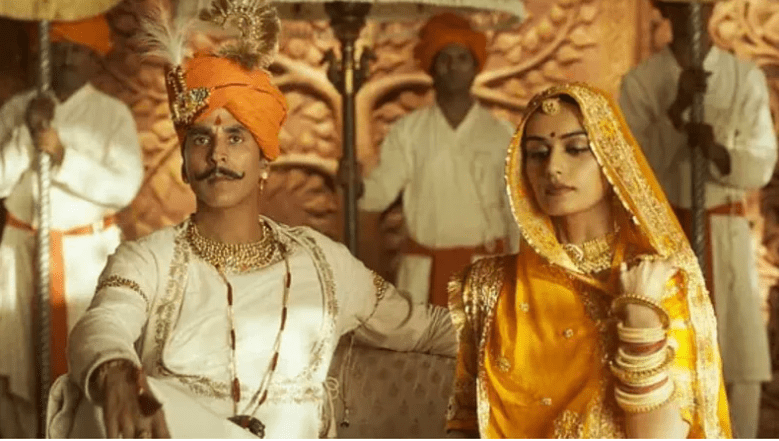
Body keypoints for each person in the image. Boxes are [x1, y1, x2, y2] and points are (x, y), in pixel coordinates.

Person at [46, 1, 455, 438]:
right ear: (184, 165)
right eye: (200, 138)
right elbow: (103, 323)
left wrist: (506, 320)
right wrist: (115, 375)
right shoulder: (147, 259)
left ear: (264, 163)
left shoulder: (325, 263)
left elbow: (426, 329)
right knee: (98, 402)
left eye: (236, 137)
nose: (217, 155)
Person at [446, 83, 731, 438]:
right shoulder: (489, 286)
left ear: (611, 160)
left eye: (576, 149)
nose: (553, 167)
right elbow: (464, 424)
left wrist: (640, 316)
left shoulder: (657, 278)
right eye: (537, 153)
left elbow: (659, 437)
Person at [618, 1, 776, 436]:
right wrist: (676, 111)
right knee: (672, 358)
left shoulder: (743, 78)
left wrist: (718, 153)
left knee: (739, 358)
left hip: (725, 232)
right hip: (667, 234)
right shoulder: (641, 82)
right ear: (663, 7)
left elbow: (761, 163)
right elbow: (630, 168)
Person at [0, 15, 143, 438]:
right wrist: (27, 135)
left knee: (86, 362)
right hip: (20, 254)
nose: (64, 59)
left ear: (96, 59)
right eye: (58, 48)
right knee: (16, 371)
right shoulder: (18, 109)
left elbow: (124, 186)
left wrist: (63, 155)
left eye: (77, 50)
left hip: (84, 258)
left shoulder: (112, 114)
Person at [360, 13, 518, 307]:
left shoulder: (502, 134)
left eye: (462, 58)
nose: (453, 66)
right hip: (422, 277)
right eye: (444, 57)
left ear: (476, 66)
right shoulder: (408, 131)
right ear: (431, 66)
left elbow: (515, 210)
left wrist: (521, 273)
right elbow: (377, 195)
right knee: (422, 338)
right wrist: (352, 185)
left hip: (485, 274)